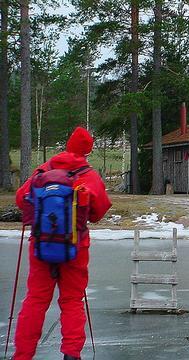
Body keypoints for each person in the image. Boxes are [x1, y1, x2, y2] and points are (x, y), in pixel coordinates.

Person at [13, 127, 111, 360]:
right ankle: (71, 354)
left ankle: (23, 355)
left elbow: (21, 199)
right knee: (72, 300)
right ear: (87, 151)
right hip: (75, 247)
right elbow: (99, 211)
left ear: (67, 145)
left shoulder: (45, 170)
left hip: (41, 247)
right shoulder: (89, 175)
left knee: (35, 300)